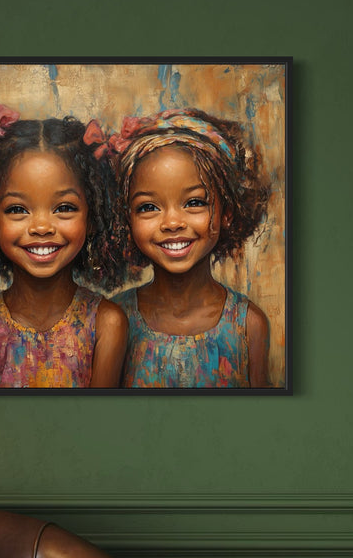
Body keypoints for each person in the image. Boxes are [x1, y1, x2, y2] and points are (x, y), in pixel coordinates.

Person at [0, 105, 129, 388]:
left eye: (64, 207)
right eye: (18, 209)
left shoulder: (107, 324)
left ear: (93, 214)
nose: (42, 227)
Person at [110, 108, 272, 388]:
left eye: (194, 202)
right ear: (128, 220)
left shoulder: (247, 325)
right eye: (149, 207)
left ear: (227, 212)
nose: (172, 222)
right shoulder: (113, 320)